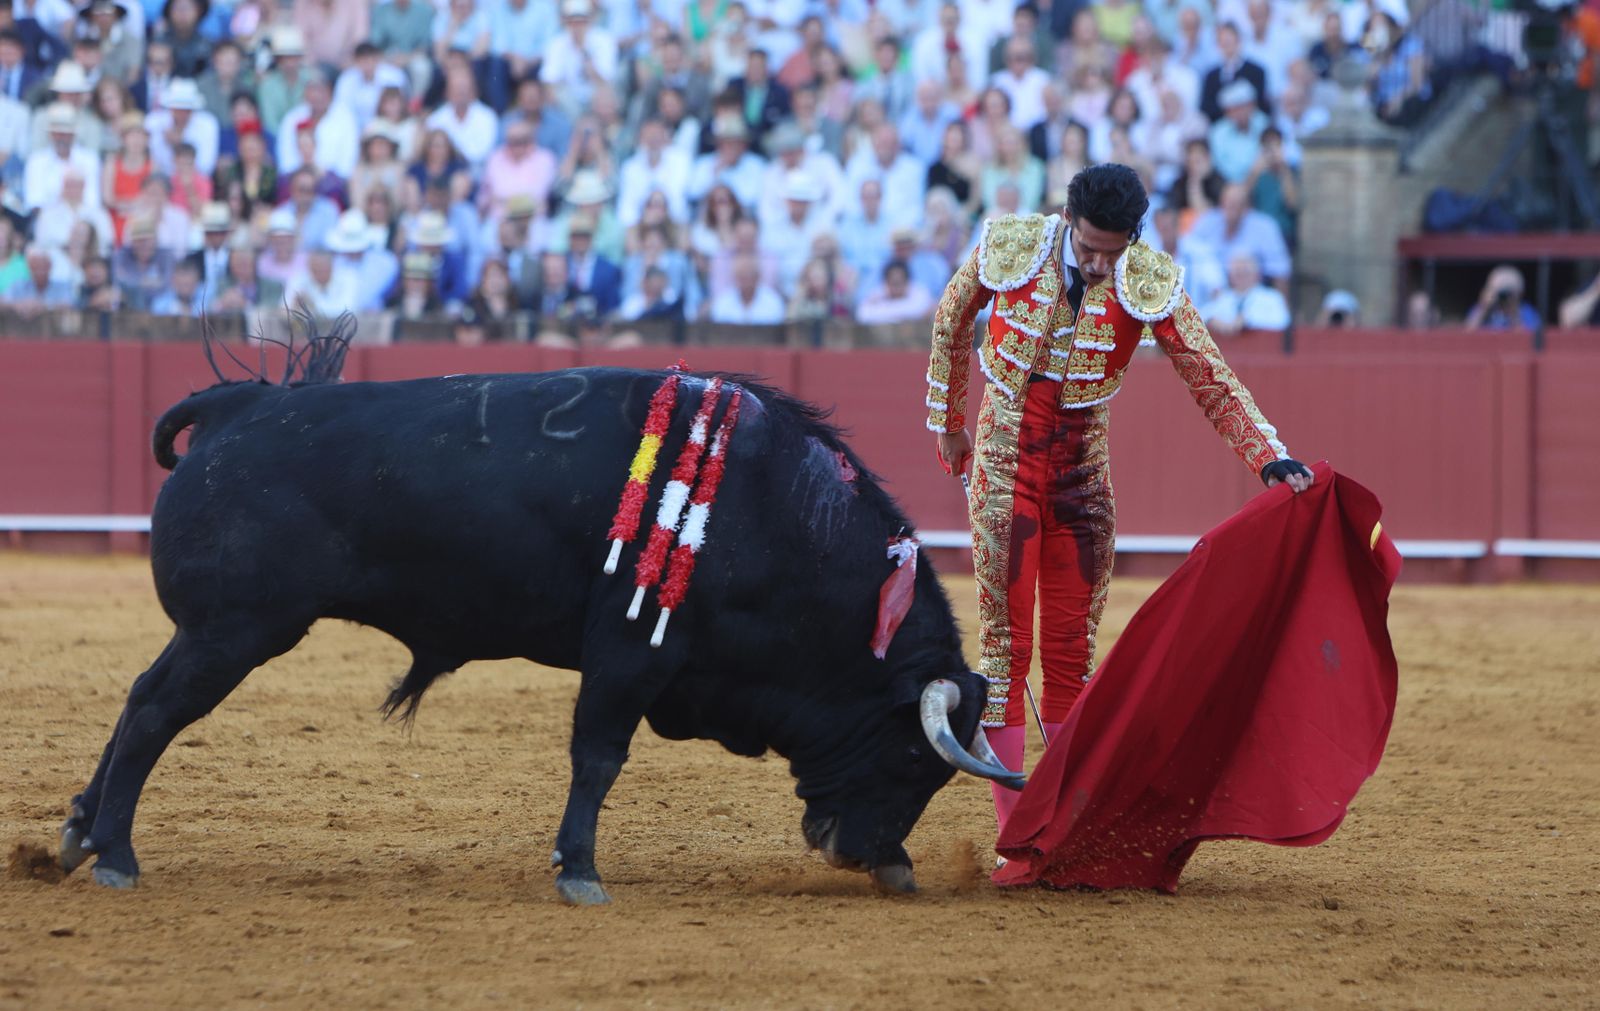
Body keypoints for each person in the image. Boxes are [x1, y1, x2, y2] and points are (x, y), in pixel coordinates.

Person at [923, 163, 1313, 833]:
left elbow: (1207, 374)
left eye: (1115, 250)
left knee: (1073, 649)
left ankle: (1061, 824)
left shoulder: (1147, 276)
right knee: (1005, 646)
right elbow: (952, 319)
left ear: (1134, 234)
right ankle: (1017, 832)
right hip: (1004, 462)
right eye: (1090, 248)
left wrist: (1268, 455)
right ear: (1068, 219)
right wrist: (950, 420)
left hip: (1081, 478)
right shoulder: (1013, 244)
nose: (1102, 264)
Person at [1464, 264, 1540, 331]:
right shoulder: (1481, 309)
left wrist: (1514, 314)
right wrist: (1484, 307)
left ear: (1520, 293)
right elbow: (1467, 333)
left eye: (1508, 292)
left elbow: (1530, 340)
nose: (1503, 296)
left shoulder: (1527, 312)